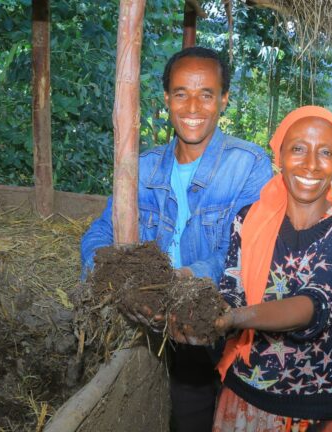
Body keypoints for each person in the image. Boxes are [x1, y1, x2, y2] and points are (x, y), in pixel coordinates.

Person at [79, 47, 272, 431]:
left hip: (213, 316)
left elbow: (243, 253)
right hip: (148, 314)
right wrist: (110, 274)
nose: (193, 106)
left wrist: (179, 282)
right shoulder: (144, 167)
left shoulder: (248, 164)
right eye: (181, 93)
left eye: (206, 94)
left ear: (224, 99)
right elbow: (102, 230)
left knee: (197, 400)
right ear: (166, 99)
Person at [213, 106, 332, 431]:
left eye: (325, 152)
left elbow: (314, 305)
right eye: (298, 149)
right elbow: (231, 291)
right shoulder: (249, 220)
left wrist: (235, 317)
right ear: (279, 156)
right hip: (244, 396)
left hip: (313, 410)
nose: (311, 164)